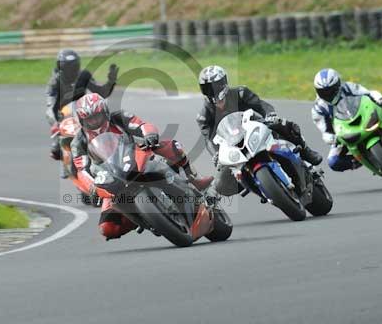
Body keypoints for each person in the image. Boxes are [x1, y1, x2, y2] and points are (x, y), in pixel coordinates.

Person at [71, 93, 213, 240]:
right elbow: (82, 170)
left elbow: (141, 125)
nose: (94, 122)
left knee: (172, 146)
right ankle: (140, 219)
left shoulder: (119, 118)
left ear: (105, 112)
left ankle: (194, 178)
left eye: (97, 117)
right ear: (82, 121)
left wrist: (149, 134)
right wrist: (92, 188)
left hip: (134, 156)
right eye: (89, 119)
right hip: (110, 179)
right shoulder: (78, 142)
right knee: (108, 229)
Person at [196, 65, 323, 195]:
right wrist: (216, 154)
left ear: (223, 83)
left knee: (285, 125)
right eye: (207, 88)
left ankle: (306, 151)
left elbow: (262, 106)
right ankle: (249, 183)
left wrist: (270, 115)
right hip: (232, 145)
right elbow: (209, 139)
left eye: (215, 86)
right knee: (220, 185)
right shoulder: (204, 115)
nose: (212, 91)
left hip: (255, 128)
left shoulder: (241, 92)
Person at [312, 68, 382, 171]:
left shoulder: (348, 87)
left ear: (338, 84)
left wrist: (380, 99)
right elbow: (325, 131)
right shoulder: (318, 109)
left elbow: (369, 93)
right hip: (344, 133)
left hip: (363, 117)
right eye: (323, 92)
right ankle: (363, 160)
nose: (328, 94)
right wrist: (331, 138)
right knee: (333, 162)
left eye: (331, 90)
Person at [45, 49, 118, 160]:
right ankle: (58, 144)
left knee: (104, 118)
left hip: (84, 110)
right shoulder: (55, 81)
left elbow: (102, 93)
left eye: (73, 67)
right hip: (63, 115)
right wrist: (56, 123)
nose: (71, 71)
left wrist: (111, 82)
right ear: (61, 67)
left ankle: (111, 147)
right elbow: (50, 105)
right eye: (67, 67)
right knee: (56, 150)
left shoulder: (84, 75)